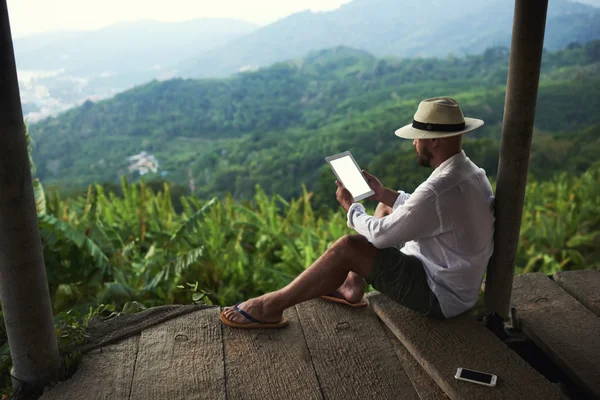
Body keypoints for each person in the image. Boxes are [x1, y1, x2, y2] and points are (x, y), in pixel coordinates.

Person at [220, 97, 495, 328]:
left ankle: (270, 306)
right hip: (460, 286)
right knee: (387, 205)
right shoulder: (471, 173)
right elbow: (428, 210)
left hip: (439, 295)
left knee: (349, 247)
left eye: (417, 138)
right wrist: (383, 194)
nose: (414, 144)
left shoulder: (438, 188)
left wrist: (351, 208)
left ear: (434, 141)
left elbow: (382, 236)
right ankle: (352, 285)